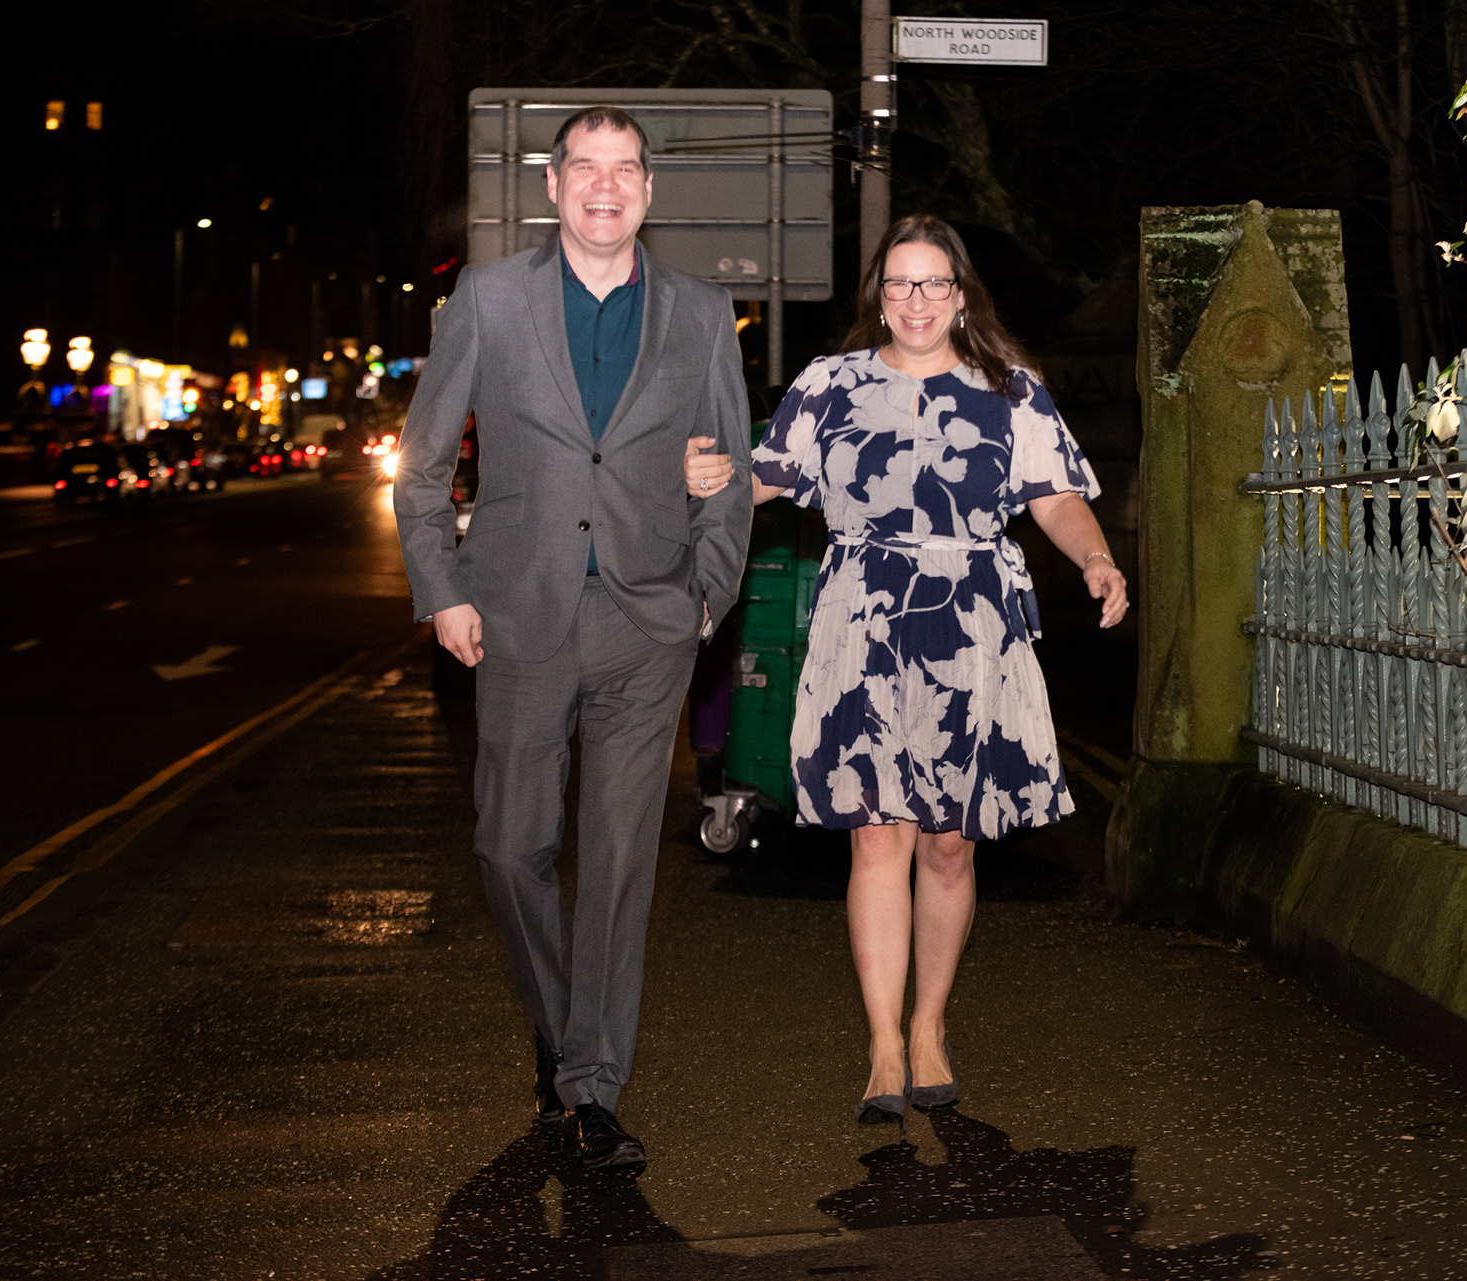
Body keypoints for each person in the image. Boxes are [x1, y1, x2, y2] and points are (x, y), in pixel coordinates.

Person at [685, 214, 1127, 1124]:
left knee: (948, 840)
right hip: (864, 626)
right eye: (898, 283)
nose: (915, 299)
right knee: (877, 834)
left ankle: (931, 1025)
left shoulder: (1009, 390)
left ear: (960, 296)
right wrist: (703, 475)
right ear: (879, 296)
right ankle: (885, 1042)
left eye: (932, 282)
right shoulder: (831, 385)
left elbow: (1055, 494)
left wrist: (1095, 558)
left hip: (972, 627)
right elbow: (762, 476)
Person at [395, 106, 753, 1170]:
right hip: (516, 615)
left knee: (619, 862)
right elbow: (422, 466)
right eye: (584, 167)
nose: (605, 186)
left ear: (648, 189)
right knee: (510, 849)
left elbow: (729, 478)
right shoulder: (490, 299)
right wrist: (441, 591)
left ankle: (593, 1084)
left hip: (649, 623)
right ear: (552, 185)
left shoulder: (700, 313)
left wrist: (706, 599)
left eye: (624, 168)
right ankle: (562, 1028)